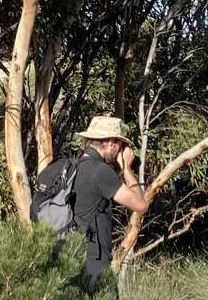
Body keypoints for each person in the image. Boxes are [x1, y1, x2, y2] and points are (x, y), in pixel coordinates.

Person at [59, 113, 148, 289]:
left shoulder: (69, 166)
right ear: (110, 143)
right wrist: (126, 168)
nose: (120, 150)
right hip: (93, 260)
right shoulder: (100, 171)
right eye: (120, 145)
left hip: (67, 256)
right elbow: (140, 204)